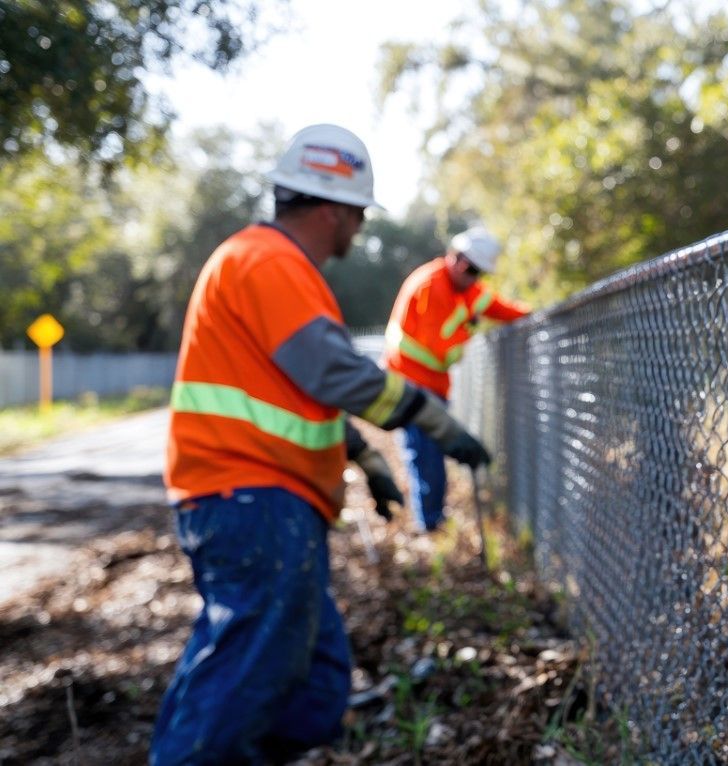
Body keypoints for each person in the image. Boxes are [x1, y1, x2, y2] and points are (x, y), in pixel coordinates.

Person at [153, 124, 491, 765]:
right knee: (245, 671)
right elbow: (331, 370)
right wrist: (432, 418)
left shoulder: (266, 264)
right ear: (333, 208)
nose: (359, 227)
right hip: (251, 498)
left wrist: (363, 460)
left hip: (262, 499)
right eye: (359, 212)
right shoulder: (270, 260)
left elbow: (289, 393)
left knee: (312, 674)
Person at [383, 226, 529, 532]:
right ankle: (430, 527)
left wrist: (538, 314)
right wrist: (471, 329)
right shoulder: (430, 286)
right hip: (410, 388)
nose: (474, 278)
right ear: (457, 260)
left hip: (433, 388)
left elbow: (501, 308)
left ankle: (433, 521)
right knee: (426, 457)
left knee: (432, 456)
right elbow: (443, 353)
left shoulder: (468, 290)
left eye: (479, 273)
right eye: (472, 270)